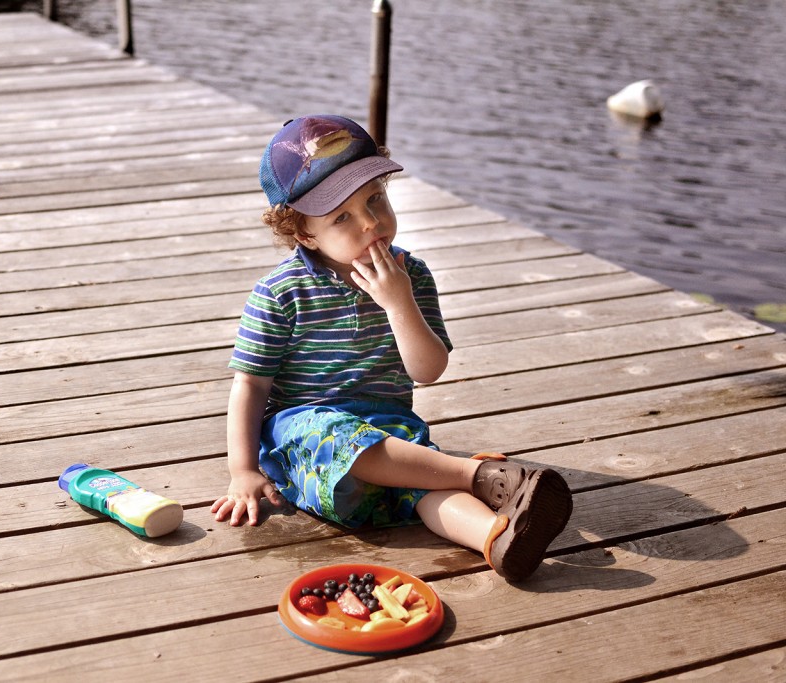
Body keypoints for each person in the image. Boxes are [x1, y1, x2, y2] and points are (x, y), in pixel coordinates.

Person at [210, 114, 573, 581]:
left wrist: (399, 302)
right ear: (303, 233)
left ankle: (497, 540)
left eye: (375, 199)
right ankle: (476, 475)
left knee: (424, 490)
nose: (369, 223)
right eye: (342, 217)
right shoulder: (280, 293)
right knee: (343, 436)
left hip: (390, 434)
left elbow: (427, 370)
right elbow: (251, 385)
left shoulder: (411, 276)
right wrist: (242, 470)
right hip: (303, 436)